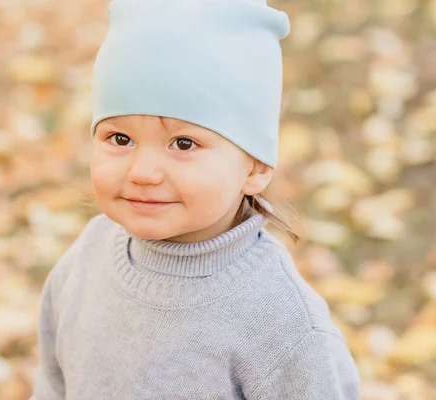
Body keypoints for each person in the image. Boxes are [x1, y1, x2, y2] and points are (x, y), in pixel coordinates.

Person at [30, 0, 362, 398]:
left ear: (255, 168)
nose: (143, 173)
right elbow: (53, 383)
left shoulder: (282, 323)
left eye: (183, 143)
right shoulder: (89, 256)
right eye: (120, 139)